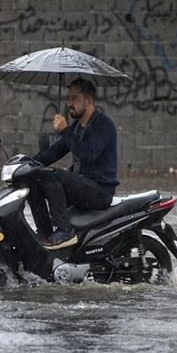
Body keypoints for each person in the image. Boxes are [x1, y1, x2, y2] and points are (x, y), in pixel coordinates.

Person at [28, 78, 119, 250]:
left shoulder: (104, 125)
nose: (69, 103)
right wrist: (28, 163)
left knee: (52, 175)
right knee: (34, 178)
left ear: (89, 100)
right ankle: (45, 232)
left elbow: (88, 155)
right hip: (81, 187)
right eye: (68, 98)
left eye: (74, 98)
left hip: (99, 191)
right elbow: (54, 152)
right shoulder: (77, 127)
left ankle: (64, 231)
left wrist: (65, 130)